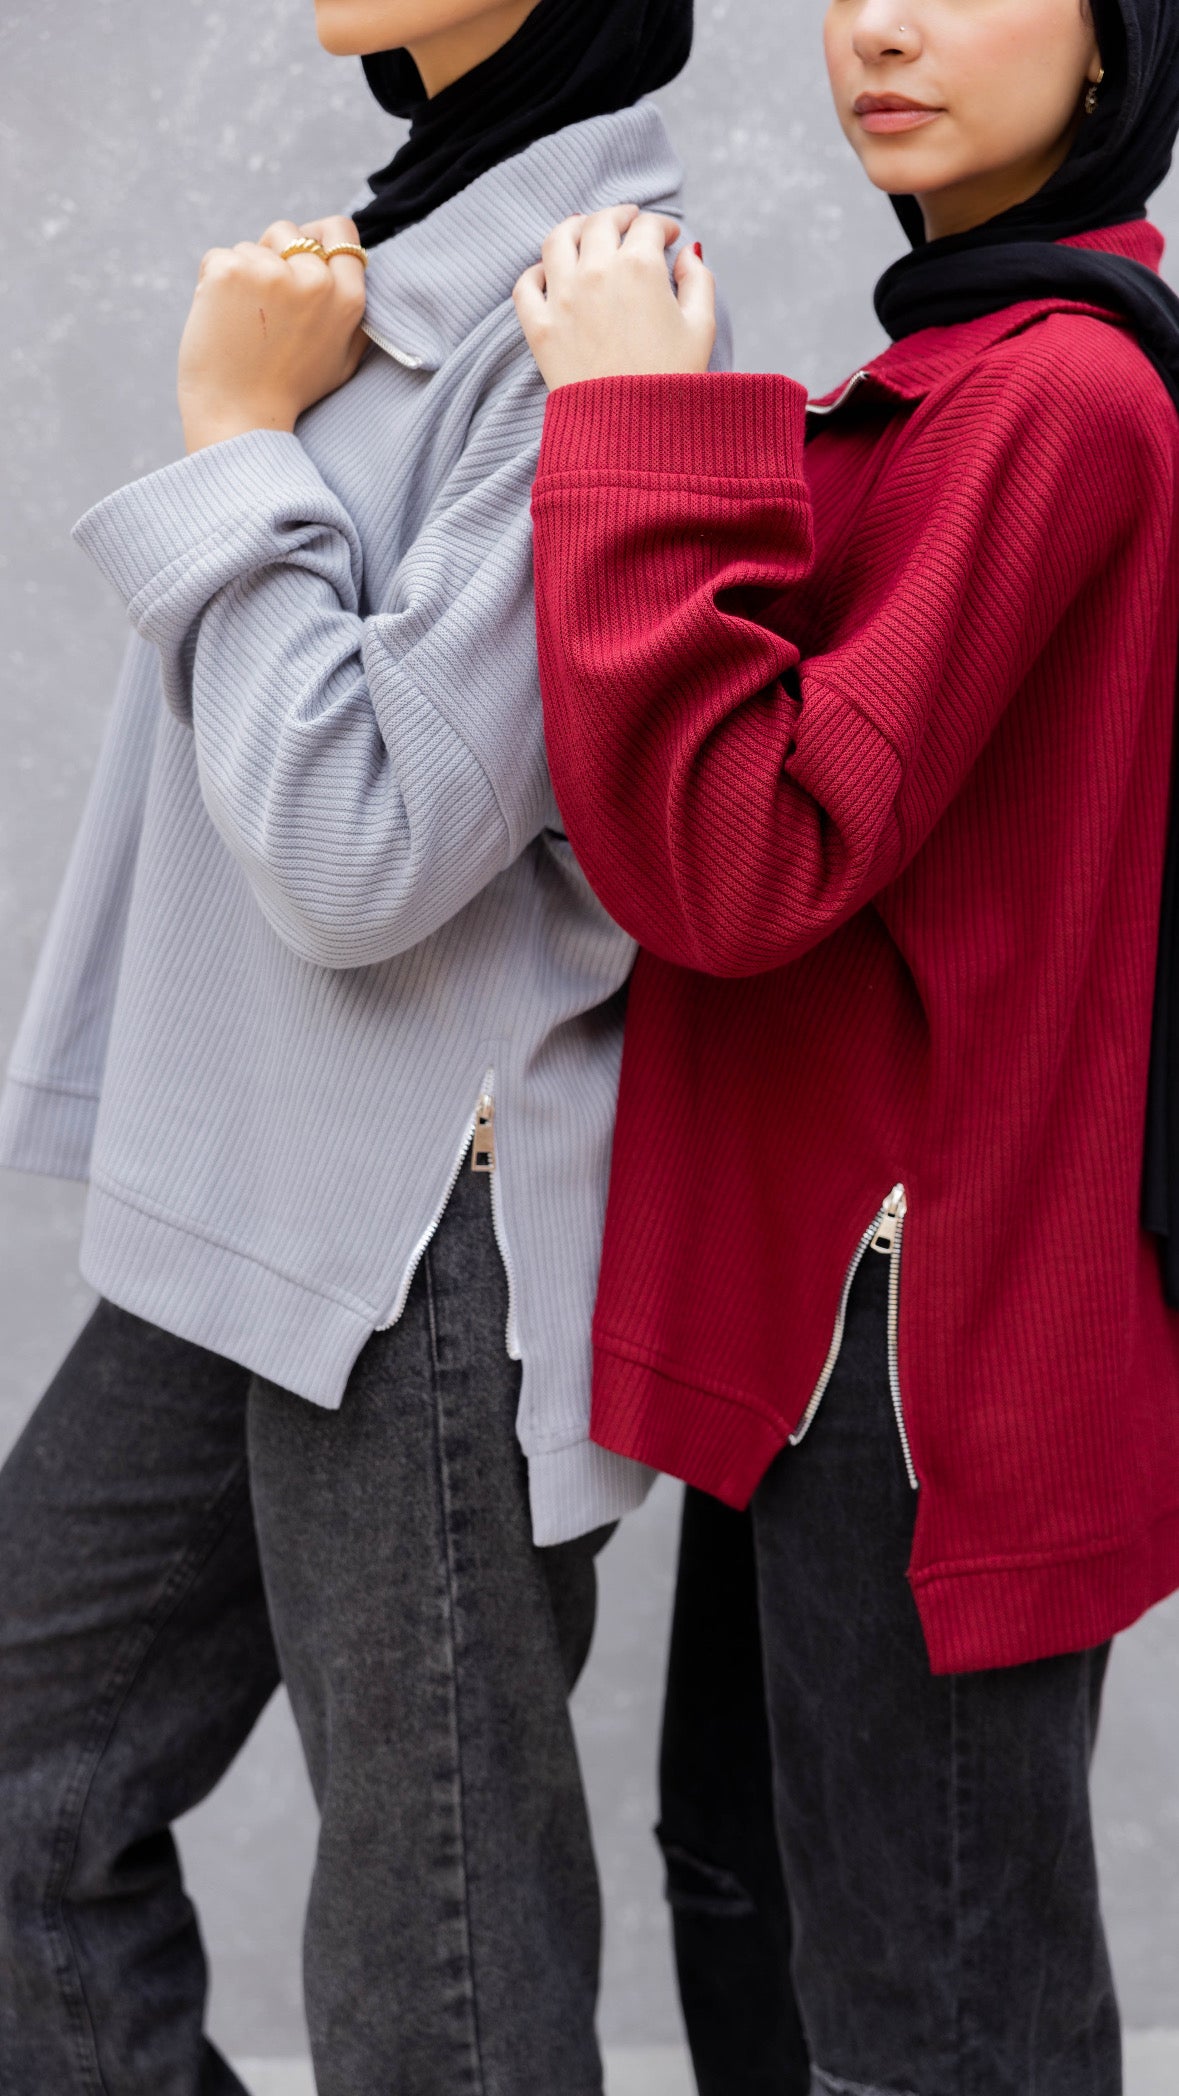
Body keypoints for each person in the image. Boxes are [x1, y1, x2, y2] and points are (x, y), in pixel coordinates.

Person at [0, 3, 717, 2092]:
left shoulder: (594, 310)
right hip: (258, 1179)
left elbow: (358, 848)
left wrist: (235, 437)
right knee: (33, 1784)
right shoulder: (383, 263)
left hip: (423, 1219)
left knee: (437, 1984)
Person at [514, 0, 1179, 2089]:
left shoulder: (1053, 394)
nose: (878, 25)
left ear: (1116, 50)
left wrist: (628, 428)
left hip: (920, 1327)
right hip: (846, 1308)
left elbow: (743, 857)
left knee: (927, 2003)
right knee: (764, 1897)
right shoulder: (956, 373)